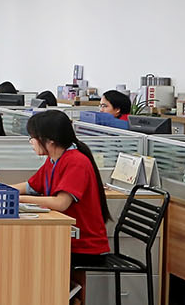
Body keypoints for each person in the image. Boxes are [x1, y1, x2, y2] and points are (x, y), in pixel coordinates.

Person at [13, 111, 111, 269]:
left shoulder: (76, 161)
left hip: (83, 246)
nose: (31, 141)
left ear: (50, 140)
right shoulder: (54, 160)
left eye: (32, 137)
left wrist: (17, 199)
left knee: (25, 258)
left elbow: (61, 203)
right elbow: (30, 186)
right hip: (65, 238)